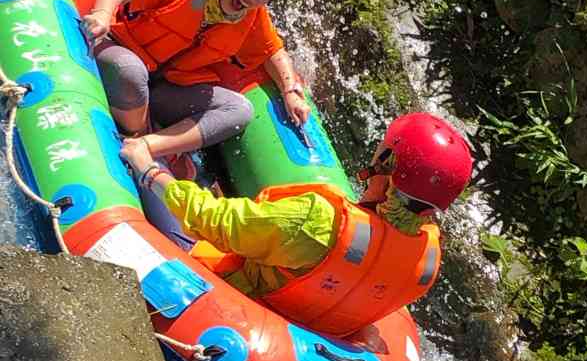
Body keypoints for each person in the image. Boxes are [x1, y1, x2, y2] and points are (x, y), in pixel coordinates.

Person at [120, 113, 473, 336]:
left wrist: (150, 170)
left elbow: (211, 220)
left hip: (230, 302)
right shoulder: (425, 263)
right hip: (304, 331)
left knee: (150, 186)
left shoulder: (319, 219)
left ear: (388, 163)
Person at [83, 0, 310, 178]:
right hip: (123, 54)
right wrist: (101, 14)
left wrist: (290, 91)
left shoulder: (252, 15)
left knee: (240, 110)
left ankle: (148, 145)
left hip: (166, 89)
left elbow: (273, 51)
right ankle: (136, 133)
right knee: (129, 71)